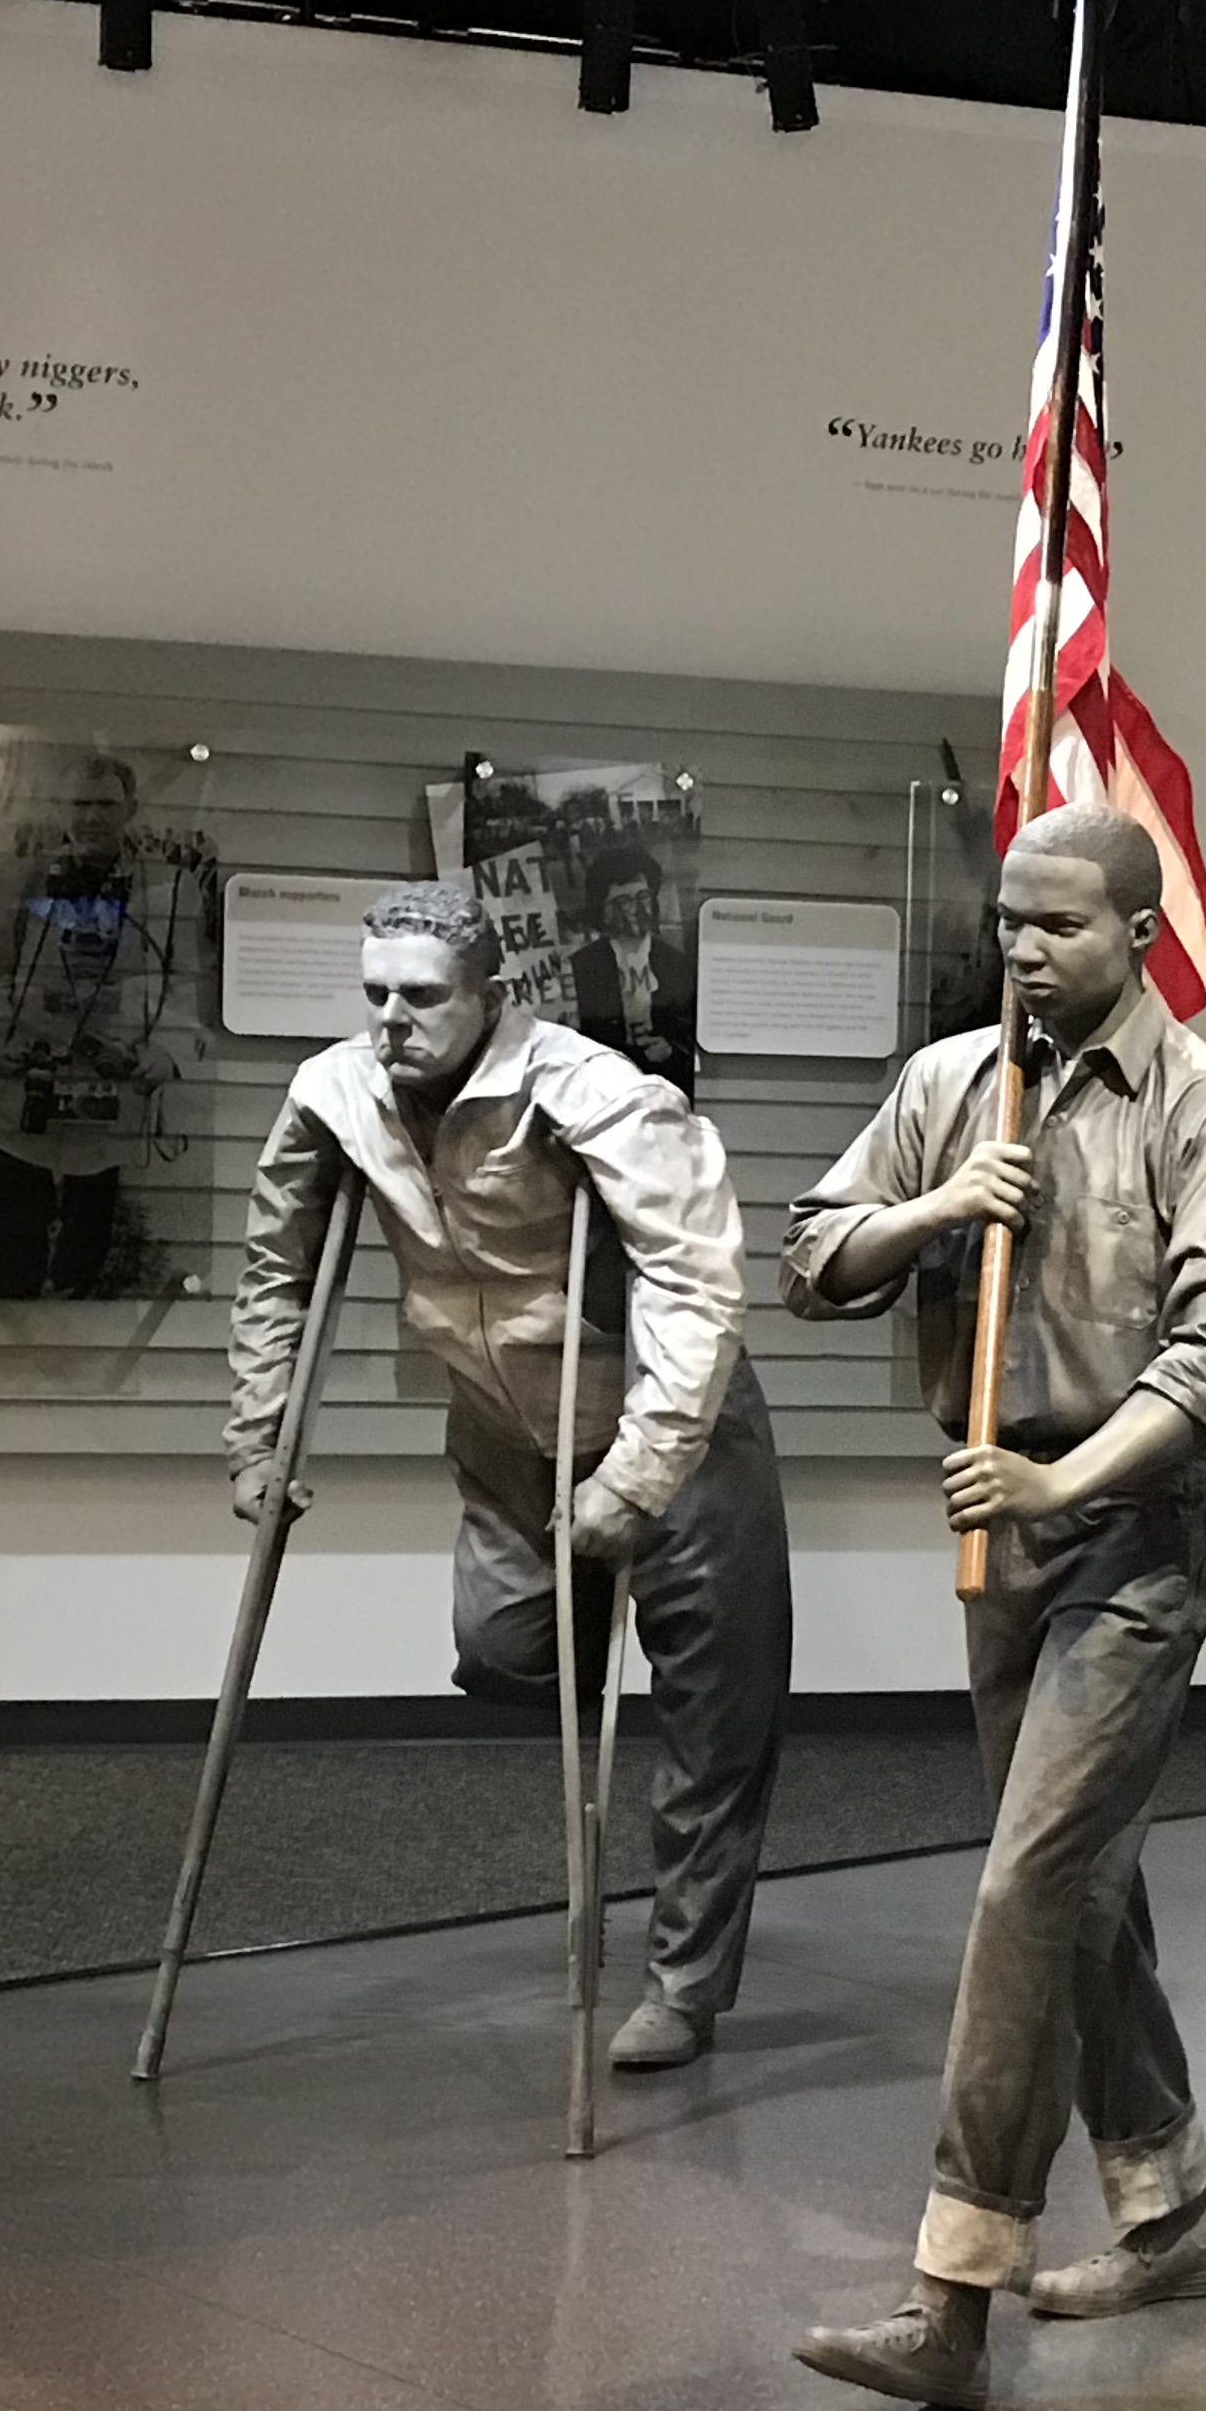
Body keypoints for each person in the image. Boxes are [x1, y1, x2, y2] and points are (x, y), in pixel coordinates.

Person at [782, 804, 1206, 2411]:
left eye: (1056, 927)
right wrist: (941, 1213)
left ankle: (952, 2297)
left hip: (1128, 1538)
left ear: (1139, 933)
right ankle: (1172, 2212)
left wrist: (1066, 1488)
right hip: (1002, 1542)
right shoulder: (950, 1088)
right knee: (1078, 1899)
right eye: (1006, 923)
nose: (1020, 953)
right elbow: (812, 1255)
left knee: (1021, 1893)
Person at [227, 882, 792, 2075]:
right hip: (504, 1435)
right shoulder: (334, 1093)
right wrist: (260, 1433)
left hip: (672, 1434)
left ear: (492, 995)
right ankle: (595, 1736)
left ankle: (684, 1984)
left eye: (422, 997)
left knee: (711, 1723)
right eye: (375, 992)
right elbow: (279, 1268)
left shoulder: (596, 1094)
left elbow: (696, 1289)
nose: (391, 1018)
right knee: (501, 1652)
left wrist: (639, 1476)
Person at [0, 750, 191, 1300]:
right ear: (62, 809)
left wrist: (160, 1053)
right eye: (80, 803)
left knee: (90, 1227)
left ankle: (77, 1310)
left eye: (105, 804)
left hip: (110, 1082)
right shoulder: (24, 881)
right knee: (16, 1219)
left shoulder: (164, 892)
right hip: (28, 1080)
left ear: (130, 808)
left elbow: (188, 983)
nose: (92, 817)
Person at [567, 841, 696, 1083]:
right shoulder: (583, 966)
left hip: (663, 1084)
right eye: (623, 901)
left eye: (643, 896)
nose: (636, 909)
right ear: (604, 909)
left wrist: (670, 1049)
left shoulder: (676, 964)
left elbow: (690, 1036)